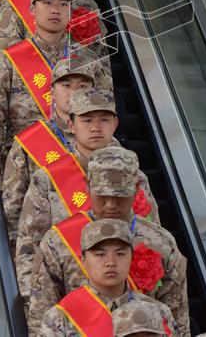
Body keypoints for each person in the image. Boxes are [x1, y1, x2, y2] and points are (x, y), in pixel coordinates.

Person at [15, 91, 159, 308]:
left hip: (133, 307)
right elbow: (29, 244)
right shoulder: (47, 179)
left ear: (116, 123)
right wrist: (31, 300)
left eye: (103, 119)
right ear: (71, 125)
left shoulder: (135, 177)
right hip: (74, 310)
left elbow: (151, 234)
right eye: (87, 120)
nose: (95, 127)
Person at [27, 147, 185, 336]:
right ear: (87, 185)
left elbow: (177, 314)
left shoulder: (161, 242)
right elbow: (41, 309)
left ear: (135, 189)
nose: (110, 205)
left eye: (119, 196)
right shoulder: (58, 241)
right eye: (102, 195)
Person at [0, 47, 111, 247]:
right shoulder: (29, 142)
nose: (75, 93)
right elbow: (12, 210)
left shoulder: (112, 146)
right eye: (66, 85)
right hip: (56, 258)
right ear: (52, 92)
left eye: (83, 86)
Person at [0, 0, 74, 173]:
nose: (56, 9)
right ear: (32, 10)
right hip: (24, 162)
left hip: (75, 166)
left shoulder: (87, 60)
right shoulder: (11, 59)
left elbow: (102, 110)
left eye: (63, 4)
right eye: (47, 3)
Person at [37, 221, 178, 337]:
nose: (110, 262)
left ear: (132, 258)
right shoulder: (60, 318)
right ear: (83, 260)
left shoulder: (158, 312)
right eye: (100, 254)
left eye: (120, 253)